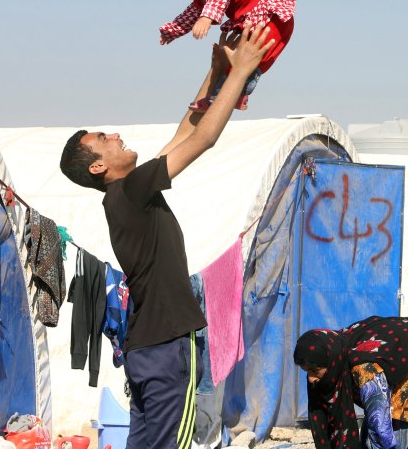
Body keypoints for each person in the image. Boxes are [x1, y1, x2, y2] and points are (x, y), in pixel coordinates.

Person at [59, 26, 275, 449]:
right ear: (99, 168)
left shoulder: (127, 194)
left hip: (146, 350)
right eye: (105, 140)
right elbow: (203, 139)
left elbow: (183, 134)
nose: (116, 135)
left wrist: (213, 77)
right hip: (168, 344)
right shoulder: (131, 192)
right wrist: (241, 71)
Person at [159, 0, 296, 111]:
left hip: (273, 18)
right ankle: (223, 96)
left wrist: (207, 18)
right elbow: (192, 12)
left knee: (251, 61)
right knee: (235, 61)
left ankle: (234, 95)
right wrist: (171, 31)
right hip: (256, 21)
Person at [294, 316, 408, 449]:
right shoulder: (334, 349)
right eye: (306, 371)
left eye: (315, 371)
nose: (311, 379)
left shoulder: (363, 367)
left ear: (330, 363)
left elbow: (379, 423)